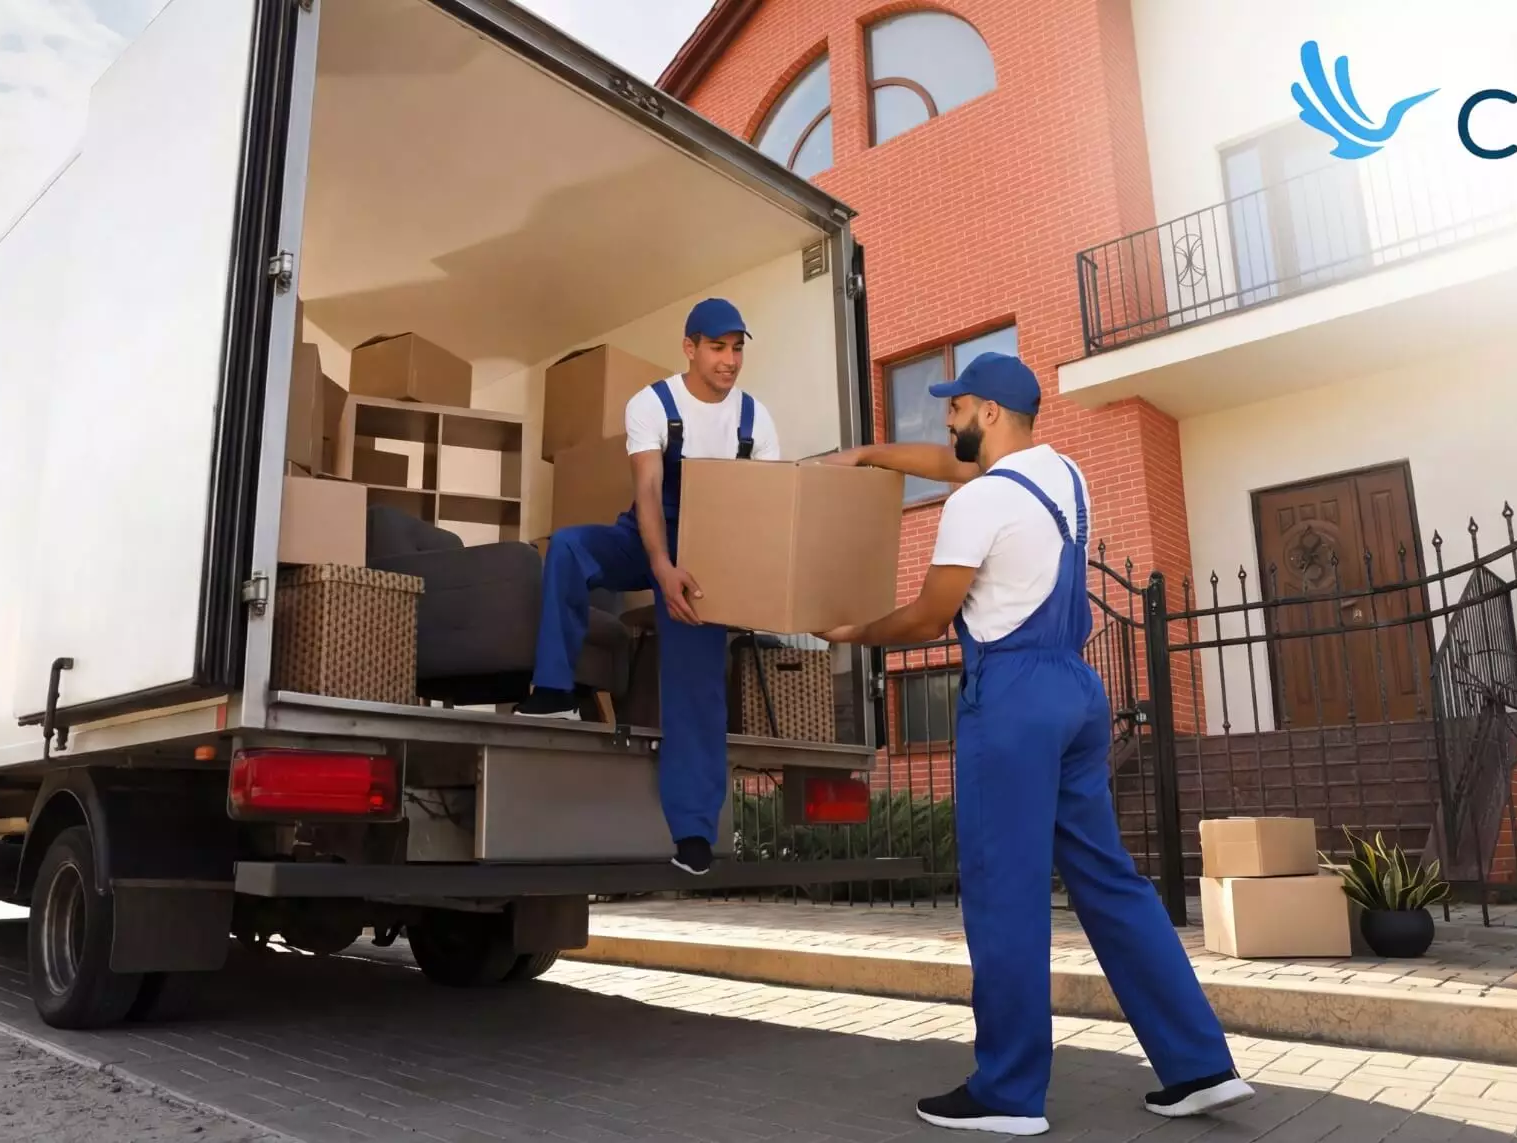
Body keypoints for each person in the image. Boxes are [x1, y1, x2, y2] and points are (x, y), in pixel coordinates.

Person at [816, 352, 1252, 1135]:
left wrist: (853, 633)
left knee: (1003, 889)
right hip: (1078, 695)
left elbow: (925, 615)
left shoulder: (978, 504)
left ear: (984, 412)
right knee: (1111, 883)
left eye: (954, 408)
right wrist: (868, 455)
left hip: (1012, 697)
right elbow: (950, 469)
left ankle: (1009, 1091)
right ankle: (1200, 1065)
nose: (944, 420)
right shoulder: (1062, 475)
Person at [516, 298, 780, 877]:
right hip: (647, 533)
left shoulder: (756, 420)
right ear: (690, 347)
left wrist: (738, 582)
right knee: (568, 548)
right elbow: (648, 485)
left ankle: (692, 832)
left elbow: (761, 507)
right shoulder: (653, 403)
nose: (730, 360)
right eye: (717, 347)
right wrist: (660, 564)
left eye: (737, 348)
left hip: (709, 552)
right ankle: (555, 688)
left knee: (696, 680)